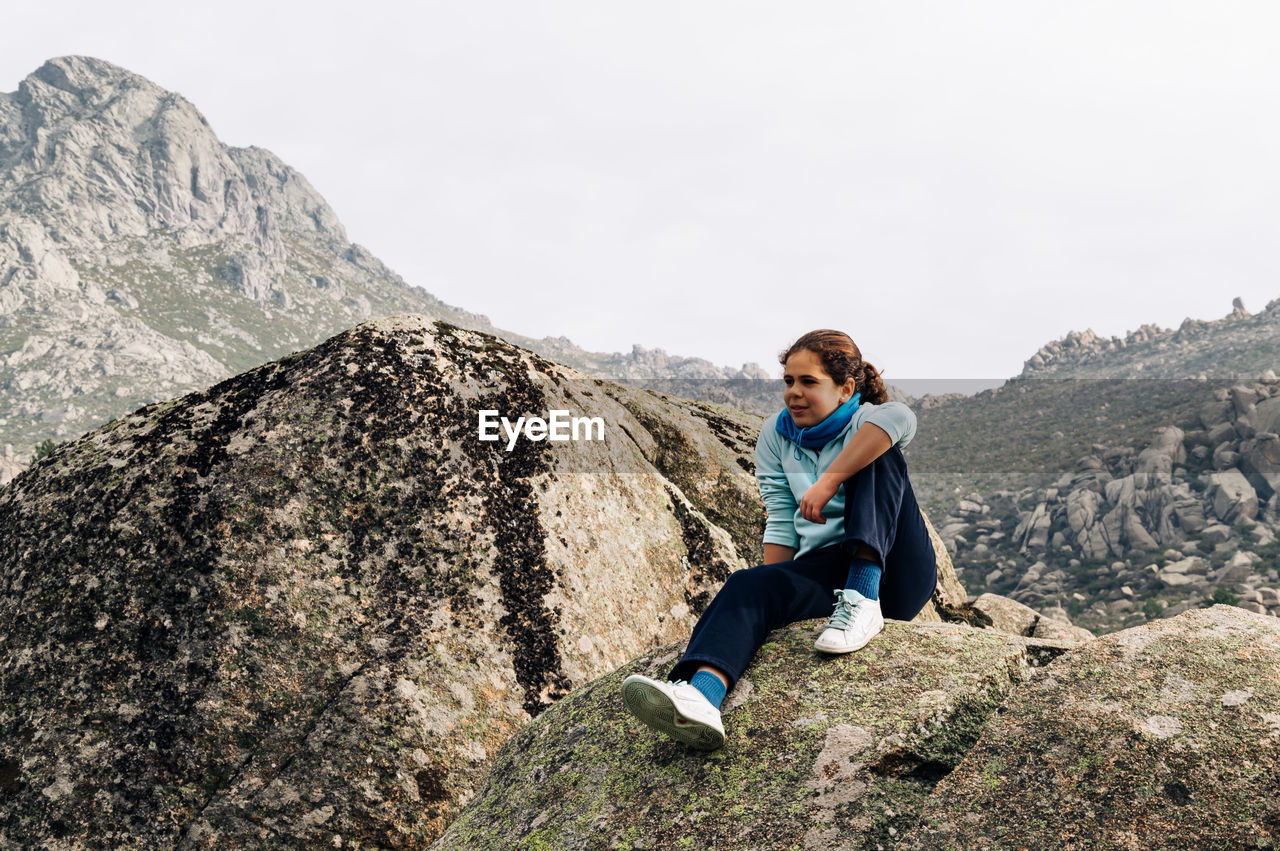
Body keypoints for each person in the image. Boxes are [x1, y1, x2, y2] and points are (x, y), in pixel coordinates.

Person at [621, 329, 938, 750]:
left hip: (896, 574)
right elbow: (783, 520)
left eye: (809, 382)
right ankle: (701, 698)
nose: (794, 392)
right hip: (828, 570)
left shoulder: (869, 419)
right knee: (747, 584)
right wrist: (773, 592)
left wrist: (828, 483)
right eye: (789, 381)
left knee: (879, 454)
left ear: (845, 389)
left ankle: (864, 598)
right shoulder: (776, 434)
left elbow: (900, 420)